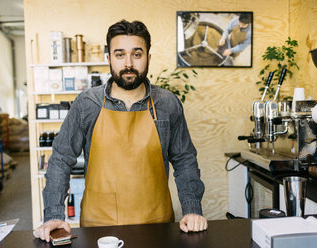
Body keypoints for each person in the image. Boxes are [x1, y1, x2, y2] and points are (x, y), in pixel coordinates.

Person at [33, 20, 207, 242]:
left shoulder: (167, 103)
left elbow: (184, 160)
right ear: (108, 59)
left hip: (157, 225)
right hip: (98, 228)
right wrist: (54, 215)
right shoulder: (87, 103)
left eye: (136, 54)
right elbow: (61, 159)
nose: (128, 64)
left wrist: (192, 210)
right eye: (119, 55)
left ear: (148, 58)